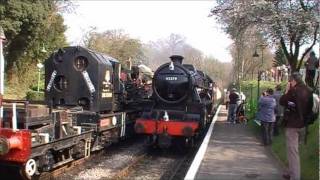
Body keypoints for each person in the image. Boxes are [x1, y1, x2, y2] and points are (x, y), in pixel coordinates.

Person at [279, 72, 312, 180]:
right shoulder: (309, 90)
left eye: (290, 80)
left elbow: (282, 101)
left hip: (293, 124)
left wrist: (288, 90)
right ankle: (290, 172)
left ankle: (295, 177)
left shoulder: (293, 91)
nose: (289, 82)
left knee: (293, 152)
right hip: (303, 124)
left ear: (293, 80)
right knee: (293, 151)